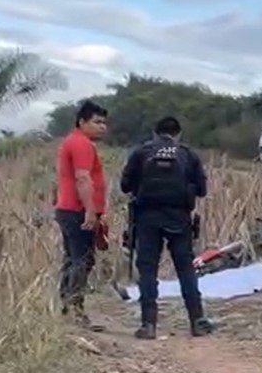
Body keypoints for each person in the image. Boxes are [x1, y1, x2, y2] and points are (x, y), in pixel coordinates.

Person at [120, 116, 211, 340]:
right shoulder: (187, 154)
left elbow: (125, 186)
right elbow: (202, 189)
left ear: (155, 133)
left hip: (147, 218)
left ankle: (148, 324)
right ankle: (197, 320)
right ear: (179, 134)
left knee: (148, 269)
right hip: (179, 218)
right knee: (185, 269)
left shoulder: (142, 152)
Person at [56, 100, 109, 331]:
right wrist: (90, 210)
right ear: (82, 122)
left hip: (69, 209)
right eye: (97, 122)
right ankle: (76, 312)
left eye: (104, 123)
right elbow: (82, 178)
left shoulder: (74, 142)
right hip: (77, 211)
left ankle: (66, 308)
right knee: (82, 260)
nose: (102, 127)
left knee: (72, 259)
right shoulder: (81, 144)